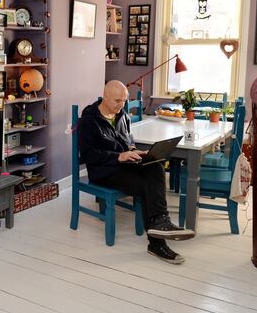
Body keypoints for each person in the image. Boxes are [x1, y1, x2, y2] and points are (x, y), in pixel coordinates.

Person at [78, 80, 195, 264]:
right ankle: (157, 243)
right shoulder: (89, 120)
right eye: (117, 100)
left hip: (124, 165)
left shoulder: (122, 115)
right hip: (104, 171)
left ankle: (160, 221)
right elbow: (87, 155)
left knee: (155, 164)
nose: (121, 105)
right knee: (147, 186)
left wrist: (133, 150)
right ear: (105, 96)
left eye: (124, 100)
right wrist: (119, 157)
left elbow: (128, 142)